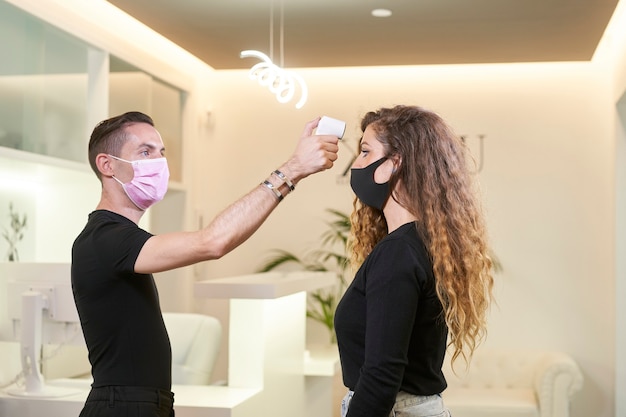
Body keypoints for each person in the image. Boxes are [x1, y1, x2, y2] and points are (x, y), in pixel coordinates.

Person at [71, 111, 339, 417]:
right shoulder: (104, 238)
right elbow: (212, 242)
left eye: (161, 153)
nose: (158, 162)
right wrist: (292, 170)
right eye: (145, 152)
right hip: (122, 407)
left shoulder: (120, 237)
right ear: (107, 165)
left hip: (143, 404)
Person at [334, 105, 494, 417]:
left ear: (395, 163)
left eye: (365, 152)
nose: (357, 163)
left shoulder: (398, 252)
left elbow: (381, 376)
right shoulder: (422, 243)